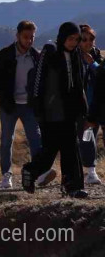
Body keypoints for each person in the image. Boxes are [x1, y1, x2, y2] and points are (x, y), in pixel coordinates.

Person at [23, 22, 88, 199]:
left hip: (68, 111)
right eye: (70, 38)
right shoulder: (50, 51)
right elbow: (38, 78)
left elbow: (78, 83)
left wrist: (82, 105)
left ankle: (72, 187)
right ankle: (30, 171)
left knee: (70, 148)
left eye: (76, 39)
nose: (73, 42)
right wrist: (37, 105)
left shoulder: (75, 55)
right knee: (51, 149)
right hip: (50, 111)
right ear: (62, 37)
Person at [0, 20, 44, 189]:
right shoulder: (5, 55)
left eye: (32, 37)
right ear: (18, 36)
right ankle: (7, 175)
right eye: (26, 37)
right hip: (9, 106)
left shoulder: (36, 56)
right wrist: (4, 96)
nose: (29, 40)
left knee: (35, 139)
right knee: (6, 140)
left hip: (29, 106)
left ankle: (37, 174)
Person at [78, 24, 102, 185]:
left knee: (91, 137)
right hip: (80, 107)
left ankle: (86, 171)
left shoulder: (97, 56)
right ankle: (91, 171)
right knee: (86, 138)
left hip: (96, 105)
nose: (88, 42)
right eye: (84, 39)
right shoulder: (72, 57)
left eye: (91, 39)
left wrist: (93, 64)